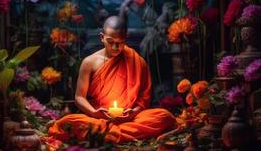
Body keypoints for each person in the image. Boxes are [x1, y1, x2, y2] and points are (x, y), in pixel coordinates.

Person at [49, 15, 176, 143]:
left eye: (120, 42)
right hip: (98, 119)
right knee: (65, 123)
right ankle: (117, 134)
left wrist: (133, 112)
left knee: (164, 116)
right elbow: (79, 97)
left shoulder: (137, 61)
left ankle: (106, 135)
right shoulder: (89, 62)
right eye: (110, 42)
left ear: (126, 38)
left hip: (129, 119)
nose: (115, 47)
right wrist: (94, 113)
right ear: (102, 37)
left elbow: (144, 99)